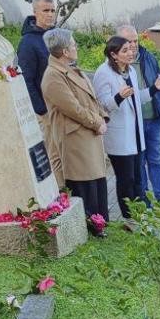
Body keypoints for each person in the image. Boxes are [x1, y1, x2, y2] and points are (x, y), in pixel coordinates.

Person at [92, 36, 160, 218]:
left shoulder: (131, 72)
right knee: (125, 179)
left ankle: (140, 215)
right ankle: (128, 217)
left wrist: (154, 88)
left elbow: (137, 98)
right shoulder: (103, 73)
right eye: (125, 50)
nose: (131, 53)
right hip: (119, 137)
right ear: (114, 54)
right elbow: (102, 105)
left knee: (137, 178)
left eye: (131, 48)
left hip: (136, 134)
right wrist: (119, 97)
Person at [40, 28, 109, 234]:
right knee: (84, 183)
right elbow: (73, 108)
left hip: (88, 134)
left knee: (96, 180)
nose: (75, 47)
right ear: (63, 51)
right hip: (76, 138)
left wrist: (101, 116)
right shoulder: (53, 76)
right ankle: (89, 226)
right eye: (72, 44)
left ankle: (99, 223)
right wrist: (96, 123)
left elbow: (91, 99)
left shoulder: (70, 69)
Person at [116, 24, 160, 209]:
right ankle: (145, 200)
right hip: (133, 123)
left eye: (135, 41)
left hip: (153, 119)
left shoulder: (148, 58)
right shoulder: (114, 66)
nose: (133, 45)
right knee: (139, 163)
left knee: (155, 160)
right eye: (128, 41)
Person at [18, 0, 59, 177]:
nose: (50, 15)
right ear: (35, 12)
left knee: (64, 152)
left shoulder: (55, 36)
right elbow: (26, 79)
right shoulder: (28, 42)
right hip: (46, 109)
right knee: (53, 154)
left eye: (53, 11)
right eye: (46, 11)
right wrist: (42, 110)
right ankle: (60, 195)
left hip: (61, 105)